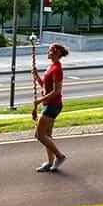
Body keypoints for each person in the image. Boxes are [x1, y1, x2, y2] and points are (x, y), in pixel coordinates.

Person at [32, 43, 69, 171]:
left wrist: (39, 101)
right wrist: (36, 76)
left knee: (39, 135)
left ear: (57, 53)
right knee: (47, 135)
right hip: (49, 105)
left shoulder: (57, 68)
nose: (48, 52)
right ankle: (50, 162)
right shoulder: (51, 67)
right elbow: (45, 87)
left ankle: (60, 156)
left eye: (51, 50)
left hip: (53, 106)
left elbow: (56, 91)